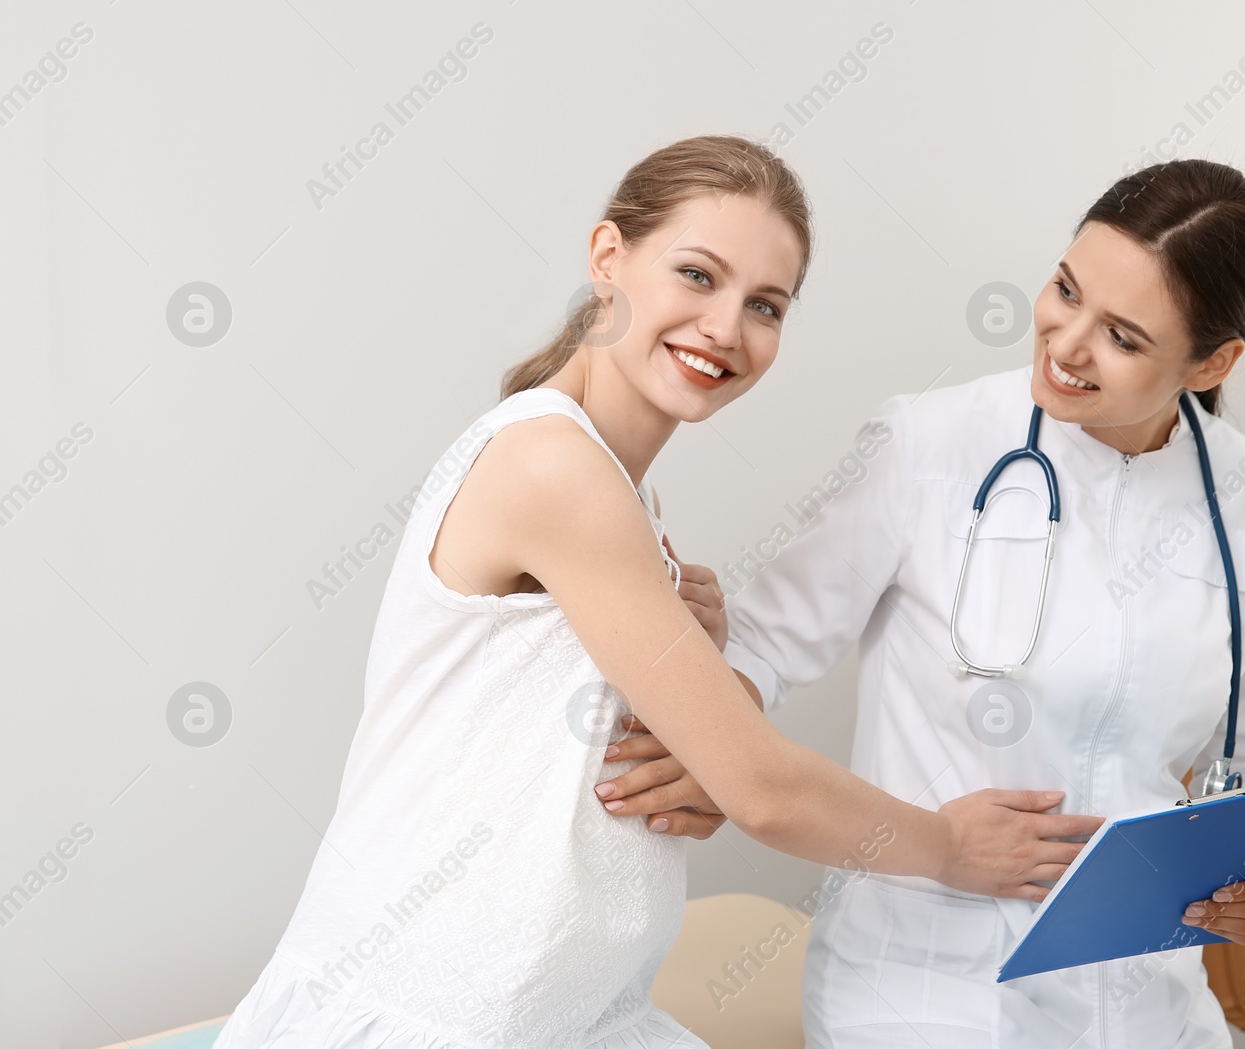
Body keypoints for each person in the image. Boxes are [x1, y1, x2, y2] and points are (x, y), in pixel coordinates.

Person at [210, 135, 1096, 1049]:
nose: (725, 327)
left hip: (577, 1017)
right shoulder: (553, 465)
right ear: (608, 259)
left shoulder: (626, 499)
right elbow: (762, 788)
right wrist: (951, 847)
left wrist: (689, 674)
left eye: (765, 305)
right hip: (434, 1019)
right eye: (697, 275)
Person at [600, 158, 1245, 1047]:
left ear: (1214, 359)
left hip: (1148, 1000)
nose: (1065, 343)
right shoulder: (930, 443)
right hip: (925, 984)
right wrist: (704, 748)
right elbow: (766, 645)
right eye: (1065, 289)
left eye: (1124, 338)